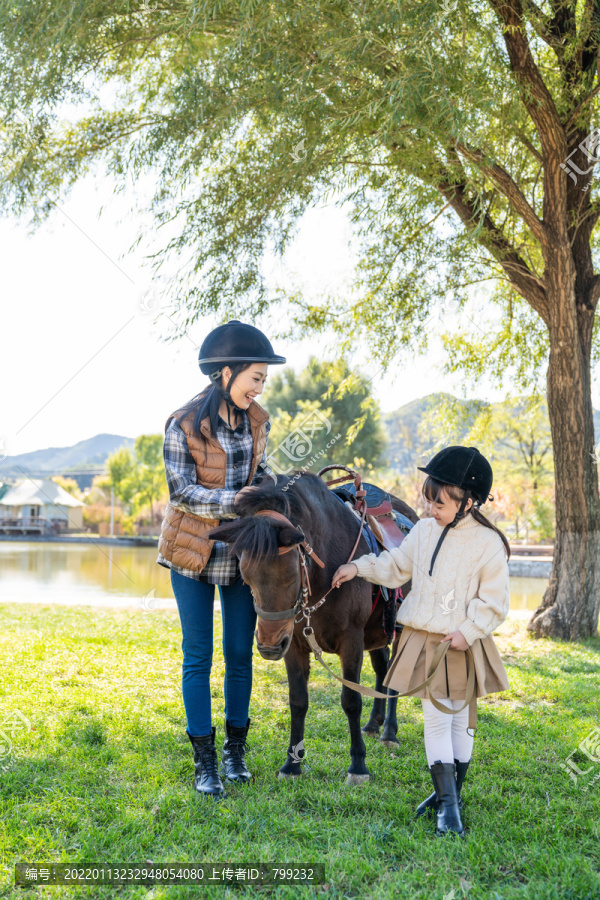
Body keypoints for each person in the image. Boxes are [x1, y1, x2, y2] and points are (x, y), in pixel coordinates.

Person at [331, 446, 510, 836]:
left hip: (461, 642)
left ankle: (451, 798)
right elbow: (396, 567)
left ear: (469, 501)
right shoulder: (425, 532)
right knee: (436, 719)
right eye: (428, 501)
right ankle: (447, 807)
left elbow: (494, 603)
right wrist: (356, 567)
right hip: (424, 640)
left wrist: (469, 631)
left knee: (461, 721)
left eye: (441, 503)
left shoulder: (488, 544)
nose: (431, 510)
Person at [156, 320, 286, 799]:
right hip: (191, 551)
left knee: (237, 654)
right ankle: (204, 759)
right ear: (227, 373)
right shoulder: (182, 423)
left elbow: (262, 470)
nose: (259, 388)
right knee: (198, 655)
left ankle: (235, 751)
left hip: (241, 555)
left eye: (263, 382)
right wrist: (239, 500)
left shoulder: (258, 421)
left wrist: (276, 488)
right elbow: (183, 493)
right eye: (255, 378)